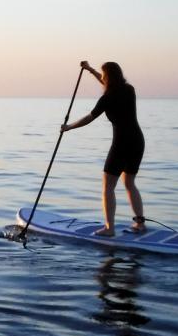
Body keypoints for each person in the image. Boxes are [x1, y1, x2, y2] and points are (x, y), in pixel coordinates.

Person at [61, 61, 146, 237]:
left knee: (108, 186)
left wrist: (69, 127)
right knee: (129, 182)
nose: (103, 77)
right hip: (137, 141)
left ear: (108, 77)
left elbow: (89, 118)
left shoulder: (107, 98)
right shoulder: (129, 90)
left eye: (103, 74)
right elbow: (109, 84)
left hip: (122, 144)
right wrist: (91, 70)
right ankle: (140, 224)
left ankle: (109, 229)